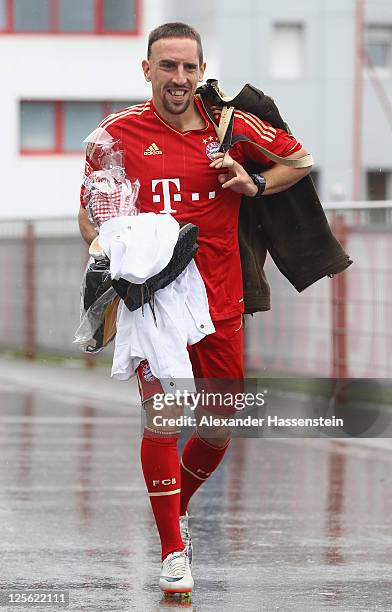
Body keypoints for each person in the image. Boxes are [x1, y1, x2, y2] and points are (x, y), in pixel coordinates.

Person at [78, 22, 312, 596]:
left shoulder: (227, 125)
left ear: (201, 70)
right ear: (147, 69)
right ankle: (172, 552)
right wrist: (112, 252)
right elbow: (88, 215)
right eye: (168, 66)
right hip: (154, 302)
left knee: (221, 421)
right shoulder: (116, 133)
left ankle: (172, 506)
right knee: (163, 418)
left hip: (219, 296)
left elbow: (299, 160)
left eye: (189, 67)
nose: (178, 78)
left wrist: (252, 182)